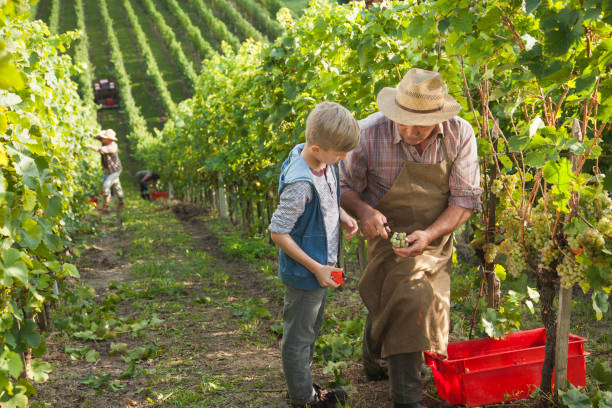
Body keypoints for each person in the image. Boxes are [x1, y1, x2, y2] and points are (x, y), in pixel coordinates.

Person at [339, 68, 482, 408]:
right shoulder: (368, 133)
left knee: (412, 296)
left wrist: (430, 234)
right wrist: (365, 212)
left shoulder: (460, 135)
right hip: (381, 233)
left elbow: (465, 201)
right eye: (403, 122)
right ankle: (374, 361)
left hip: (434, 234)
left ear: (438, 117)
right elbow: (343, 187)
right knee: (387, 294)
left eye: (420, 125)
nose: (410, 131)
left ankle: (406, 398)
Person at [268, 102, 360, 408]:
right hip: (306, 272)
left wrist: (342, 215)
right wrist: (316, 268)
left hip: (321, 268)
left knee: (311, 328)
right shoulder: (299, 184)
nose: (343, 159)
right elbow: (278, 232)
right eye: (339, 154)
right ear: (318, 148)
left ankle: (304, 386)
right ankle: (303, 399)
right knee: (298, 338)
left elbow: (327, 198)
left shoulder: (320, 161)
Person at [91, 129, 124, 211]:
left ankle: (106, 206)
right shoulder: (105, 142)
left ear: (110, 139)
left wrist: (90, 147)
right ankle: (121, 203)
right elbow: (98, 138)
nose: (102, 139)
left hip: (115, 170)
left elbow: (102, 149)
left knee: (106, 185)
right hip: (109, 170)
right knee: (117, 186)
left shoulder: (113, 146)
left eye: (104, 138)